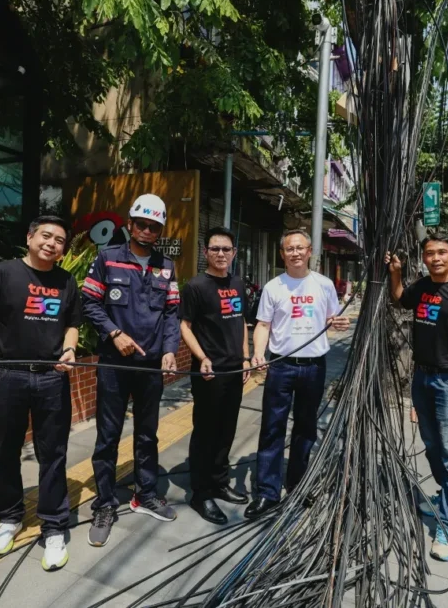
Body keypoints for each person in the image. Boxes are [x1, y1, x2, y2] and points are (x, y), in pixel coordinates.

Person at [0, 216, 81, 570]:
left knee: (53, 454)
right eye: (45, 235)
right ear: (30, 237)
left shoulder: (66, 280)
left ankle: (54, 526)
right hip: (6, 376)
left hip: (51, 378)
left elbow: (72, 324)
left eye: (59, 240)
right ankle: (9, 518)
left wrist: (70, 349)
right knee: (6, 451)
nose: (51, 243)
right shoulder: (0, 274)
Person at [81, 193, 180, 547]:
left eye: (155, 227)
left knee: (147, 434)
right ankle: (105, 504)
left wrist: (170, 351)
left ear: (160, 231)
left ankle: (146, 494)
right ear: (130, 224)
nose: (147, 231)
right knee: (108, 436)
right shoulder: (107, 258)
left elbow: (171, 313)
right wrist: (114, 333)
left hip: (150, 365)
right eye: (142, 224)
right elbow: (89, 302)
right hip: (114, 364)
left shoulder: (166, 266)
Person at [385, 232, 448, 562]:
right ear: (424, 257)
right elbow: (400, 299)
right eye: (430, 253)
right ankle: (446, 501)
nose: (436, 258)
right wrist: (396, 273)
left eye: (442, 252)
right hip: (423, 378)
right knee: (432, 445)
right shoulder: (422, 287)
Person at [246, 229, 350, 519]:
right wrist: (258, 353)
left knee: (305, 427)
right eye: (289, 248)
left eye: (300, 248)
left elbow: (331, 318)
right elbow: (263, 325)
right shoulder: (273, 287)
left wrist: (338, 323)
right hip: (281, 365)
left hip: (314, 366)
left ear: (309, 252)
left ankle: (297, 485)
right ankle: (267, 492)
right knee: (272, 427)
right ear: (282, 254)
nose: (295, 253)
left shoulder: (324, 284)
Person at [180, 227, 251, 525]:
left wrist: (245, 357)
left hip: (235, 370)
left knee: (226, 429)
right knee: (206, 431)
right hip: (209, 372)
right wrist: (203, 358)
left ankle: (220, 482)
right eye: (215, 249)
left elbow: (242, 321)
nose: (221, 254)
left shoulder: (237, 283)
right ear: (205, 252)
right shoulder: (196, 286)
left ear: (234, 253)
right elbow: (185, 326)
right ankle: (201, 492)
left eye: (226, 249)